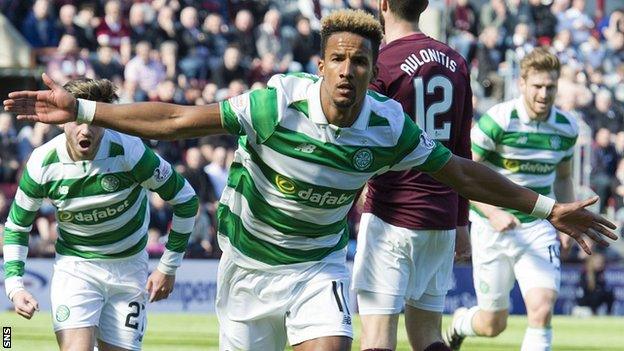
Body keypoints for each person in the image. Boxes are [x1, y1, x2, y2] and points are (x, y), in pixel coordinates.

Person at [4, 10, 617, 351]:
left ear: (374, 69)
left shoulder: (388, 125)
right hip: (247, 267)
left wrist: (546, 207)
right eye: (338, 59)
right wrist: (83, 109)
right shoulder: (277, 105)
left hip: (317, 269)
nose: (347, 70)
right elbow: (176, 120)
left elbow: (459, 170)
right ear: (320, 65)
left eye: (360, 61)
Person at [3, 79, 198, 351]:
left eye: (93, 120)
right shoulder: (42, 163)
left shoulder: (129, 150)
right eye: (76, 120)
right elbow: (17, 226)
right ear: (62, 120)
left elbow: (186, 200)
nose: (86, 130)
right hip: (76, 268)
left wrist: (168, 266)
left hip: (129, 270)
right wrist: (15, 287)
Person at [353, 1, 473, 350]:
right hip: (442, 218)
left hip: (392, 214)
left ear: (383, 4)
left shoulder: (382, 63)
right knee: (428, 337)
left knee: (377, 337)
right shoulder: (456, 61)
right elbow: (462, 148)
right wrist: (461, 221)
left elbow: (362, 138)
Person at [443, 48, 578, 351]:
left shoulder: (567, 128)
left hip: (537, 225)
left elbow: (564, 177)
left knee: (542, 309)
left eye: (551, 87)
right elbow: (464, 173)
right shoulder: (498, 121)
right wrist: (492, 213)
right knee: (493, 324)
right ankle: (461, 323)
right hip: (491, 227)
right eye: (538, 86)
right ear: (522, 83)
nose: (544, 93)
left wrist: (566, 219)